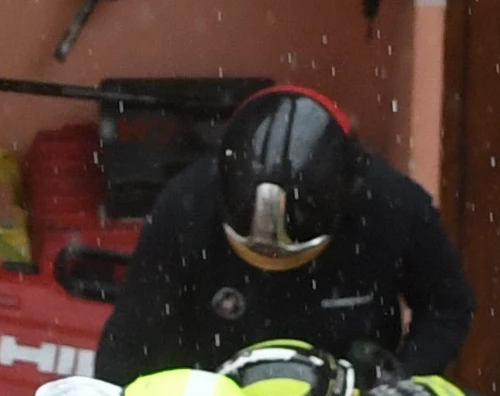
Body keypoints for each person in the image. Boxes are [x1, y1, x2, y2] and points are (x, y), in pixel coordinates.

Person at [98, 88, 472, 392]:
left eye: (287, 256)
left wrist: (402, 377)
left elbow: (447, 306)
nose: (271, 256)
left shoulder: (394, 207)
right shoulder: (184, 207)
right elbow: (131, 334)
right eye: (257, 253)